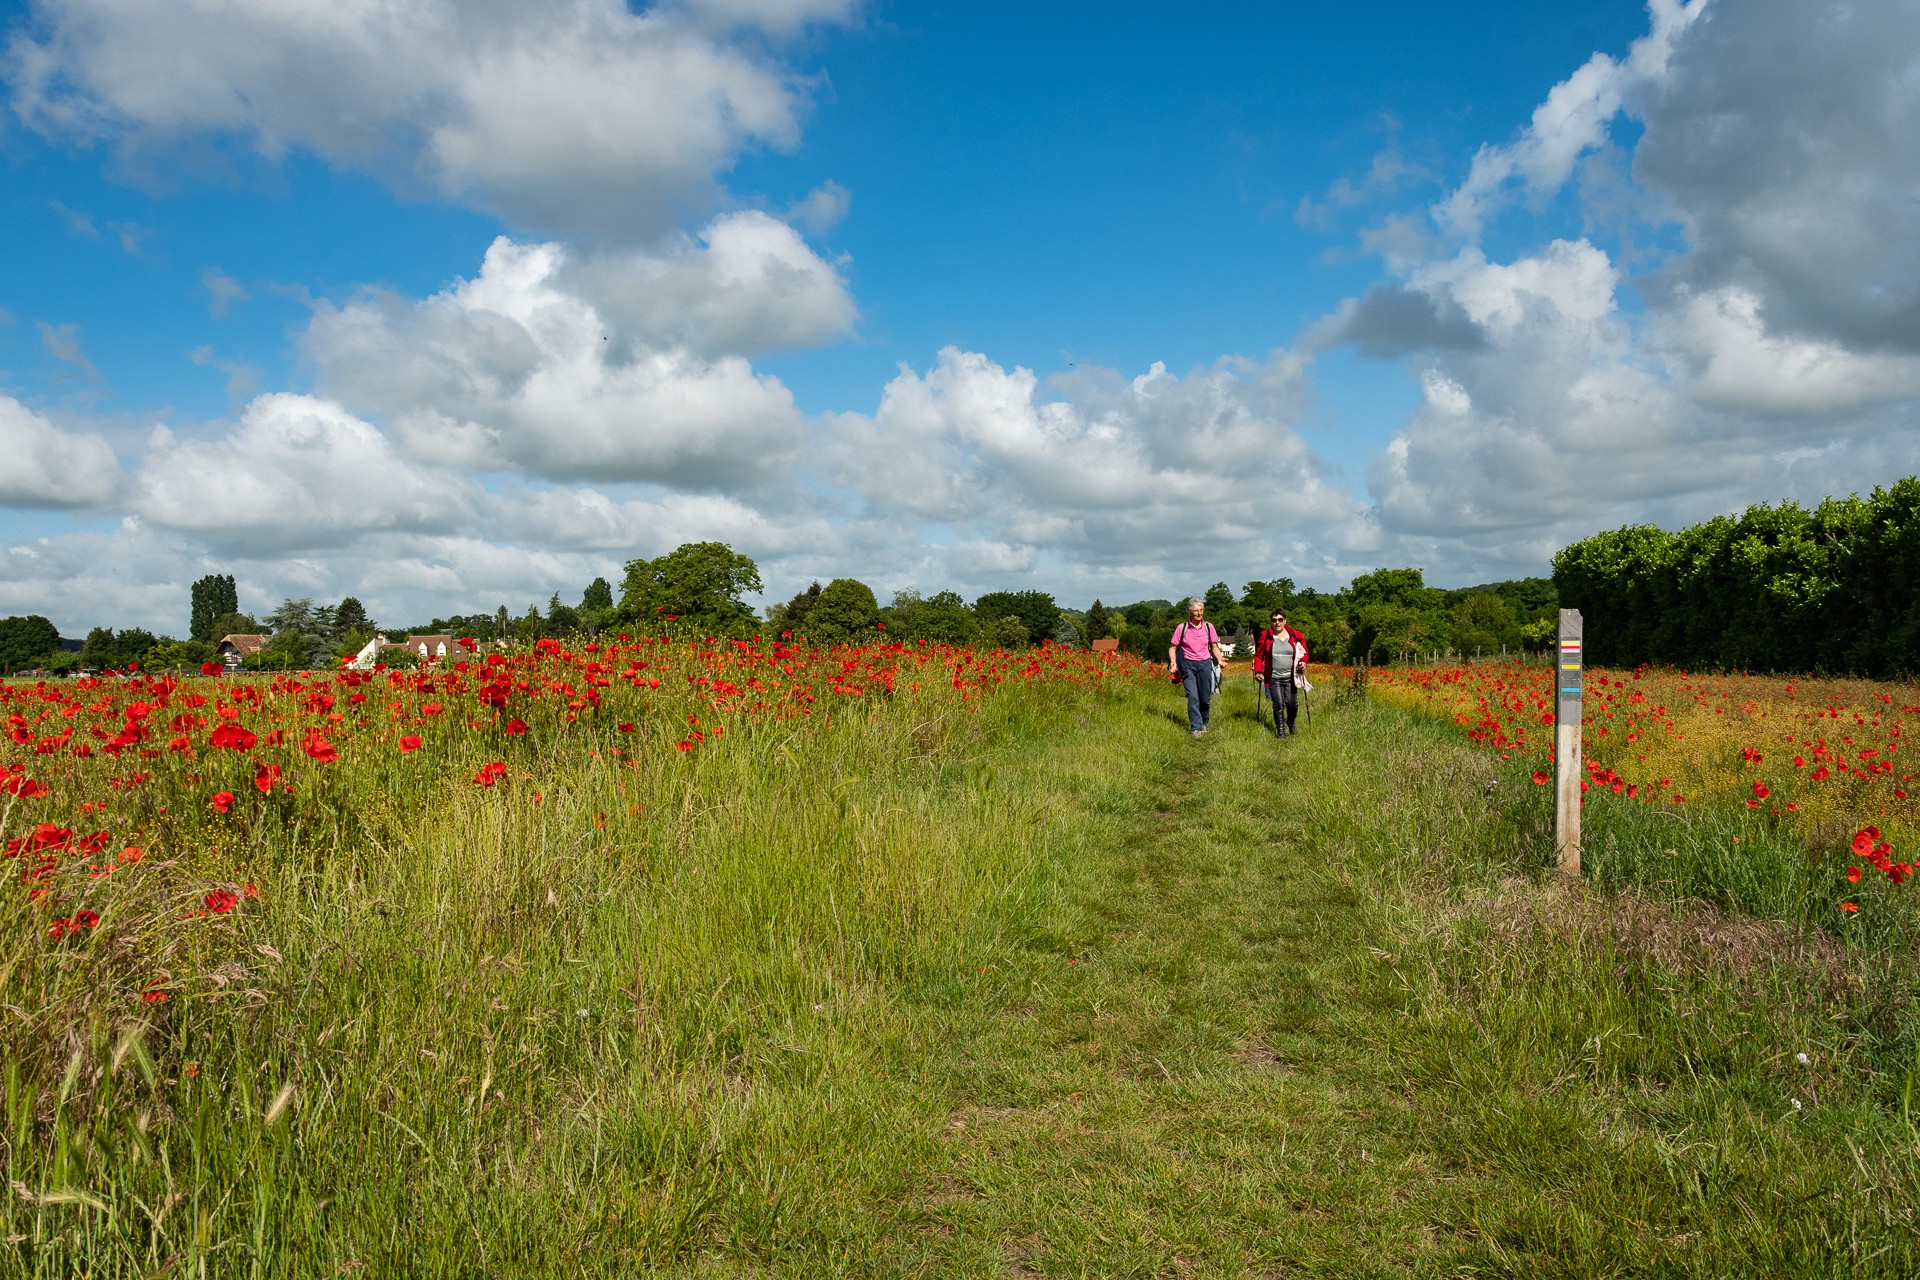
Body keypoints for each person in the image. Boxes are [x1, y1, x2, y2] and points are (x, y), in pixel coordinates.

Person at [1166, 598, 1225, 736]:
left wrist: (1220, 659)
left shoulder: (1209, 627)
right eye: (1196, 610)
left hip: (1205, 665)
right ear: (1189, 612)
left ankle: (1205, 722)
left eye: (1201, 610)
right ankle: (1196, 728)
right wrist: (1173, 662)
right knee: (1193, 697)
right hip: (1188, 665)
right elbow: (1172, 648)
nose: (1199, 613)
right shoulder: (1182, 628)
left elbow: (1214, 647)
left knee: (1205, 698)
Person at [1251, 606, 1309, 737]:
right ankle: (1281, 732)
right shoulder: (1265, 636)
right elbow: (1259, 655)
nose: (1277, 622)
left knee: (1292, 704)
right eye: (1274, 620)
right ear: (1271, 622)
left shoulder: (1295, 635)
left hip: (1291, 677)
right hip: (1274, 677)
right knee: (1278, 704)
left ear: (1285, 621)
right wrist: (1258, 671)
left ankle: (1291, 722)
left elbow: (1304, 652)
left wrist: (1303, 661)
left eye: (1280, 619)